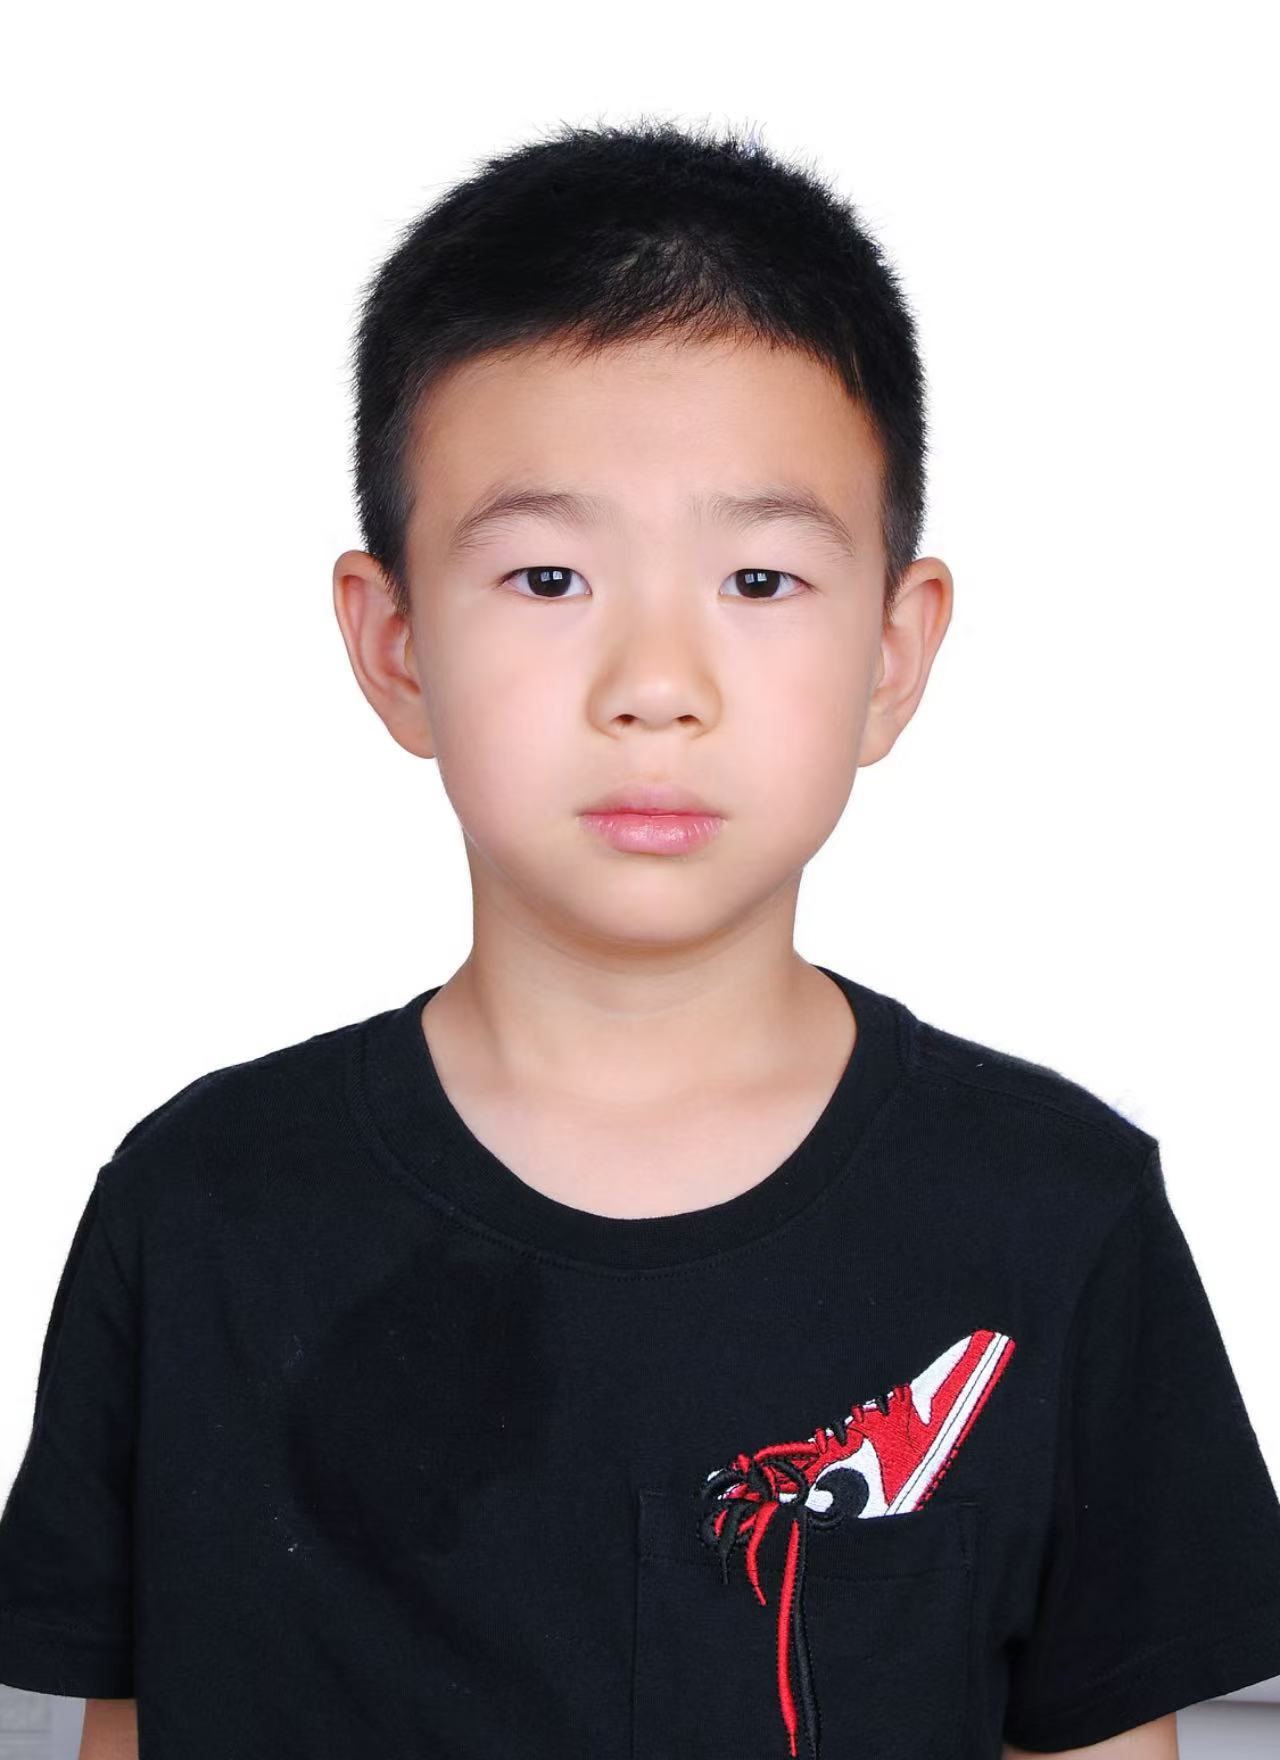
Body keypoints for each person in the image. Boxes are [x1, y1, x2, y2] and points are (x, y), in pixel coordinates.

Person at [2, 117, 1278, 1760]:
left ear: (895, 654)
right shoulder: (199, 1210)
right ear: (395, 644)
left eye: (760, 579)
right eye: (549, 577)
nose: (656, 682)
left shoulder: (1055, 1215)